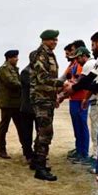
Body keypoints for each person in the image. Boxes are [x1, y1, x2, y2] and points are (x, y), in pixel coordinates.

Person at [66, 31, 98, 184]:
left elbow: (90, 79)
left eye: (93, 44)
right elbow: (96, 83)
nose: (92, 48)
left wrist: (73, 89)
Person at [29, 29, 64, 181]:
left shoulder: (49, 54)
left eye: (56, 40)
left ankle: (38, 163)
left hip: (47, 98)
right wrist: (61, 83)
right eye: (52, 40)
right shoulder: (40, 54)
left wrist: (55, 94)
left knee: (42, 132)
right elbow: (42, 77)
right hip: (41, 99)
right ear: (44, 40)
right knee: (45, 133)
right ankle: (40, 169)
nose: (55, 42)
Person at [0, 50, 23, 159]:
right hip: (7, 103)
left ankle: (26, 148)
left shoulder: (14, 69)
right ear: (9, 58)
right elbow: (11, 82)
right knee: (4, 128)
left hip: (16, 103)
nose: (17, 59)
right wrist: (25, 85)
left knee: (21, 127)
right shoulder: (3, 69)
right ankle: (2, 149)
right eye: (15, 57)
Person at [19, 63, 36, 164]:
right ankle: (28, 154)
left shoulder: (38, 71)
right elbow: (32, 85)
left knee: (39, 131)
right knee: (27, 134)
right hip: (27, 108)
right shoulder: (26, 72)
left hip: (36, 108)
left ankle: (38, 153)